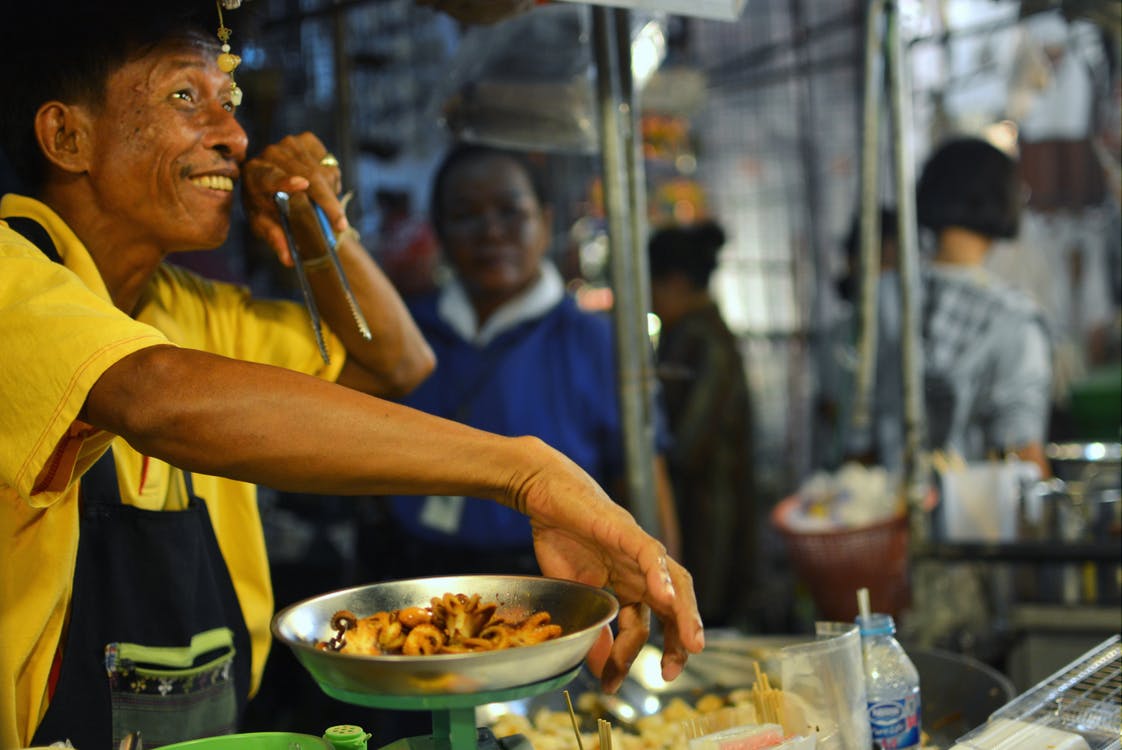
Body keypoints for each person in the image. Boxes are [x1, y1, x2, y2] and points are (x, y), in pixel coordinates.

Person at [0, 4, 704, 747]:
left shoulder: (193, 309)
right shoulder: (14, 275)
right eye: (185, 96)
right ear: (67, 136)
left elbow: (394, 364)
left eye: (228, 102)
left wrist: (316, 226)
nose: (235, 136)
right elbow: (153, 395)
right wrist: (524, 472)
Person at [375, 142, 681, 582]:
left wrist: (660, 593)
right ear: (439, 231)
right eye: (465, 215)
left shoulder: (595, 341)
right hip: (414, 577)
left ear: (546, 221)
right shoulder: (406, 331)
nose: (491, 232)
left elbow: (645, 482)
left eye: (511, 211)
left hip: (555, 585)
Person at [913, 136, 1053, 477]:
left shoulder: (881, 301)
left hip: (875, 505)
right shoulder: (1015, 319)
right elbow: (1022, 453)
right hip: (973, 510)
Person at [647, 220, 755, 629]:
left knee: (705, 617)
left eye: (652, 288)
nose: (649, 300)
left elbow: (689, 443)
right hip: (705, 508)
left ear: (675, 283)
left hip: (710, 516)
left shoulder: (702, 341)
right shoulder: (692, 334)